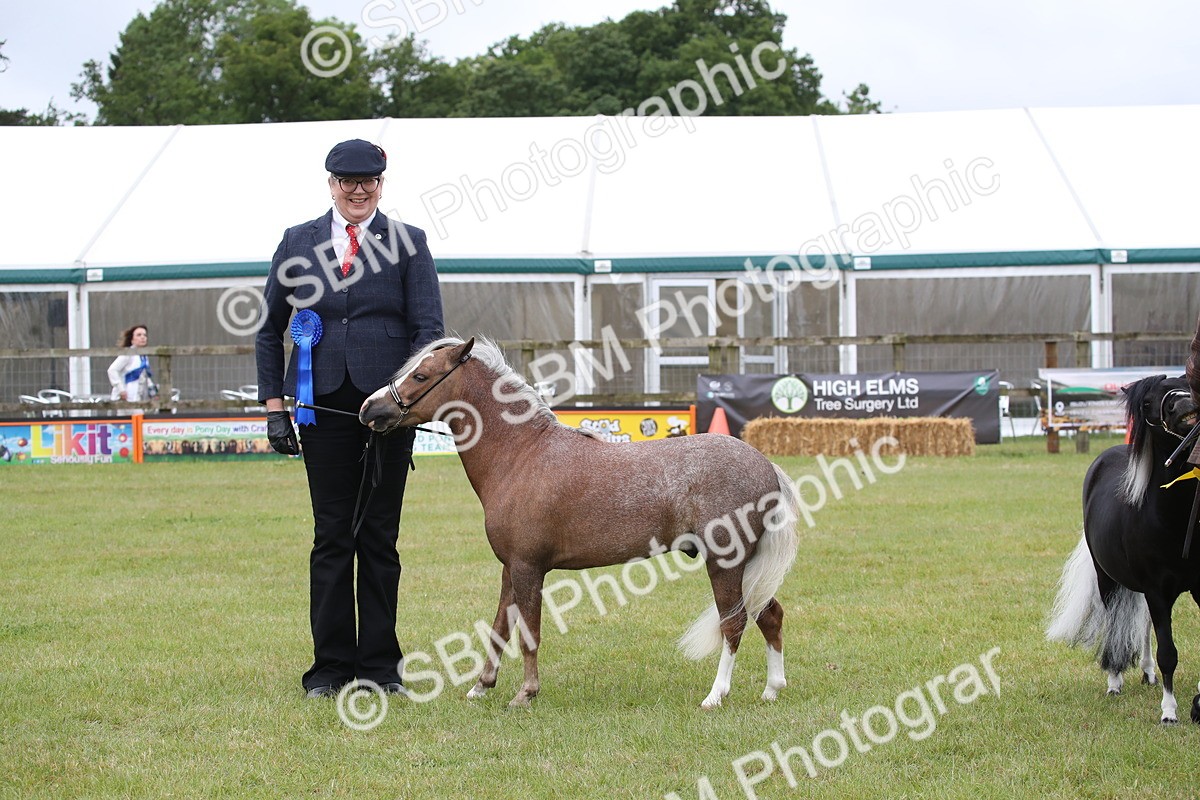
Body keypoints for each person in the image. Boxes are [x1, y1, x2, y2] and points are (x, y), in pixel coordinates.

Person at [255, 139, 445, 700]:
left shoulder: (409, 243)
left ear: (382, 184)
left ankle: (382, 669)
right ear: (330, 182)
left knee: (380, 539)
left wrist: (403, 401)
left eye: (369, 181)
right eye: (347, 180)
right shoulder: (297, 241)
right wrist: (274, 408)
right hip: (320, 408)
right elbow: (269, 330)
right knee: (332, 536)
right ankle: (330, 668)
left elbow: (428, 332)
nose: (358, 189)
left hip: (385, 411)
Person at [107, 324, 157, 402]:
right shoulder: (128, 354)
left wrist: (153, 392)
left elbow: (145, 375)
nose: (142, 337)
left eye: (144, 335)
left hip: (138, 396)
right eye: (139, 335)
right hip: (126, 396)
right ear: (132, 339)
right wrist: (121, 389)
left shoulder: (144, 356)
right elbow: (112, 370)